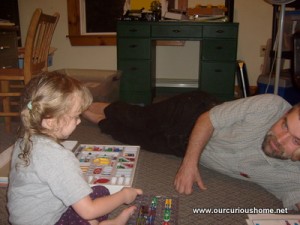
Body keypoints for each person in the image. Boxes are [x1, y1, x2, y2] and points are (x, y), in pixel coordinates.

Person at [83, 91, 300, 211]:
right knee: (138, 118)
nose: (279, 139)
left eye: (296, 141)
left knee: (130, 136)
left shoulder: (294, 179)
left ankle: (89, 116)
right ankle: (80, 102)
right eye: (284, 125)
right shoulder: (269, 105)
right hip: (193, 114)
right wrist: (189, 164)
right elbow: (207, 120)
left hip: (182, 146)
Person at [7, 72, 143, 225]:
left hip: (30, 216)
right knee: (96, 205)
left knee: (101, 192)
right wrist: (124, 195)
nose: (79, 122)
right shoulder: (59, 158)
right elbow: (88, 211)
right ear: (50, 121)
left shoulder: (24, 138)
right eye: (75, 116)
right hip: (48, 221)